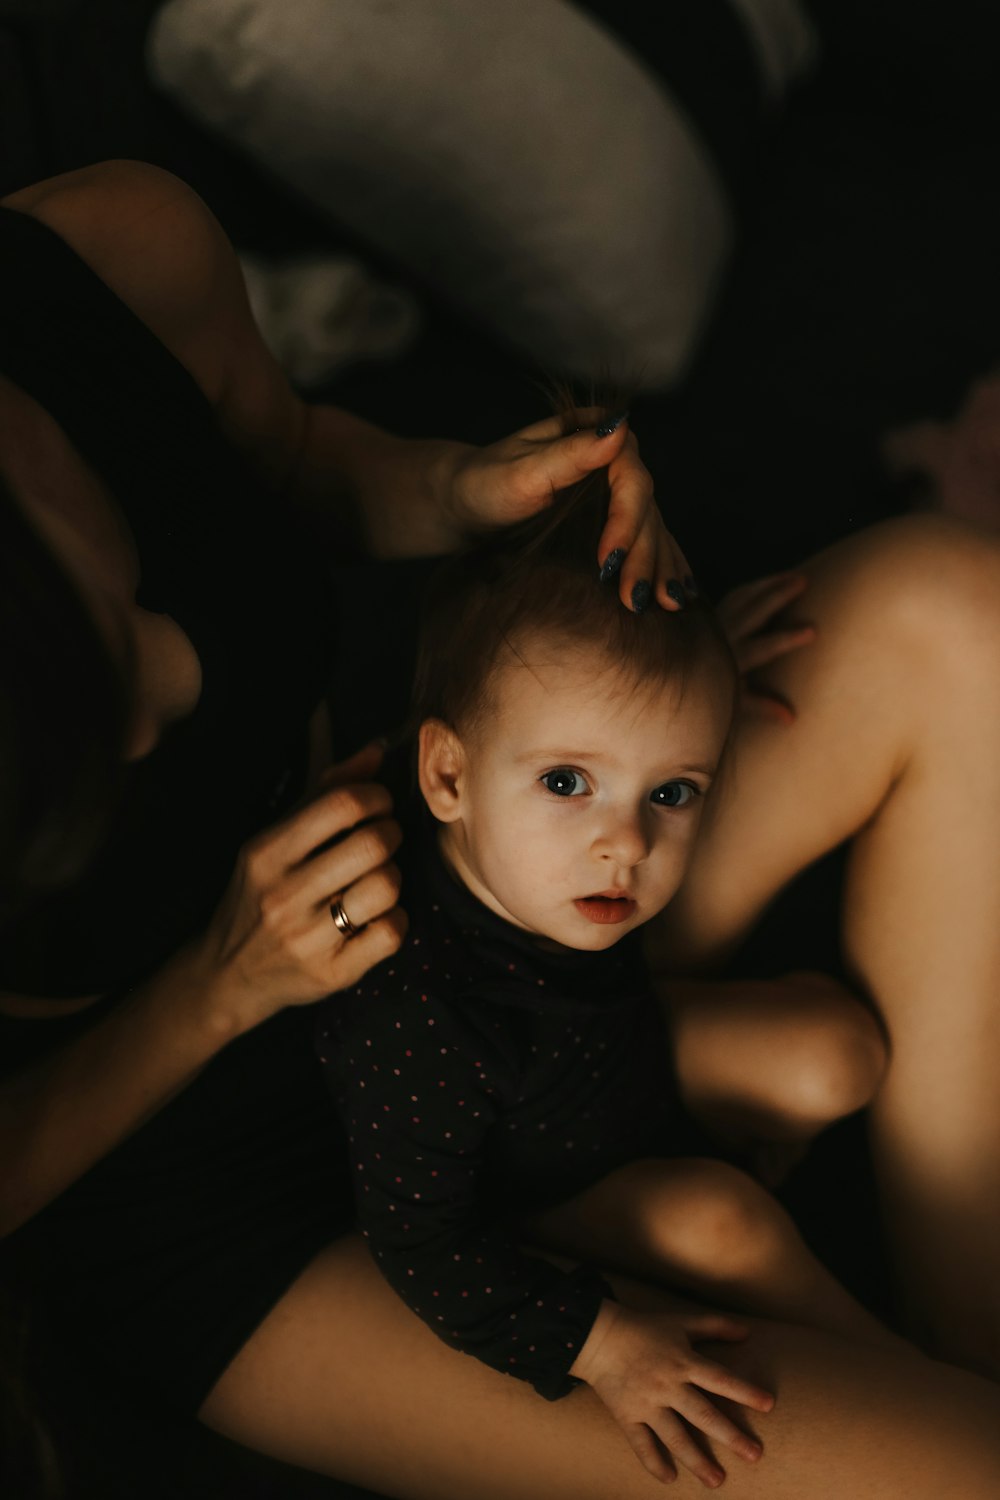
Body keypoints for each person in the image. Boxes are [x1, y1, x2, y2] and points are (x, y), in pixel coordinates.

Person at [1, 159, 999, 1497]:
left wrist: (466, 493)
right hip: (204, 1176)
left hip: (472, 898)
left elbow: (288, 453)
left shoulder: (108, 254)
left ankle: (966, 1323)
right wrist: (217, 991)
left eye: (124, 617)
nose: (179, 688)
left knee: (949, 616)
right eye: (90, 723)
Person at [313, 472, 893, 1489]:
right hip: (525, 1181)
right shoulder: (415, 1021)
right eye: (566, 783)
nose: (622, 842)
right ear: (445, 778)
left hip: (612, 1055)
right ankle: (930, 1382)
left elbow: (571, 705)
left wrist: (693, 685)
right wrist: (599, 1345)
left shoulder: (540, 843)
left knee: (837, 1052)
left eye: (671, 789)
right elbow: (417, 1245)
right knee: (725, 1222)